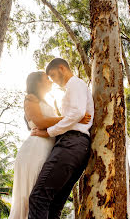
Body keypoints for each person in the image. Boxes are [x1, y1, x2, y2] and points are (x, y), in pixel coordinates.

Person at [9, 71, 90, 219]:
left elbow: (55, 126)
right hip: (35, 149)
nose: (51, 81)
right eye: (47, 79)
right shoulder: (30, 98)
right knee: (31, 195)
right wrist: (73, 118)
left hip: (48, 148)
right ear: (37, 82)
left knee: (43, 195)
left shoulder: (47, 102)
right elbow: (40, 121)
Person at [28, 58, 94, 219]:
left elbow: (77, 114)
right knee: (54, 205)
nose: (52, 80)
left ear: (62, 68)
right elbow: (75, 115)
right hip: (78, 147)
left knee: (38, 197)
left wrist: (48, 132)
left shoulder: (75, 84)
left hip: (71, 144)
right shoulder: (73, 87)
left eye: (52, 74)